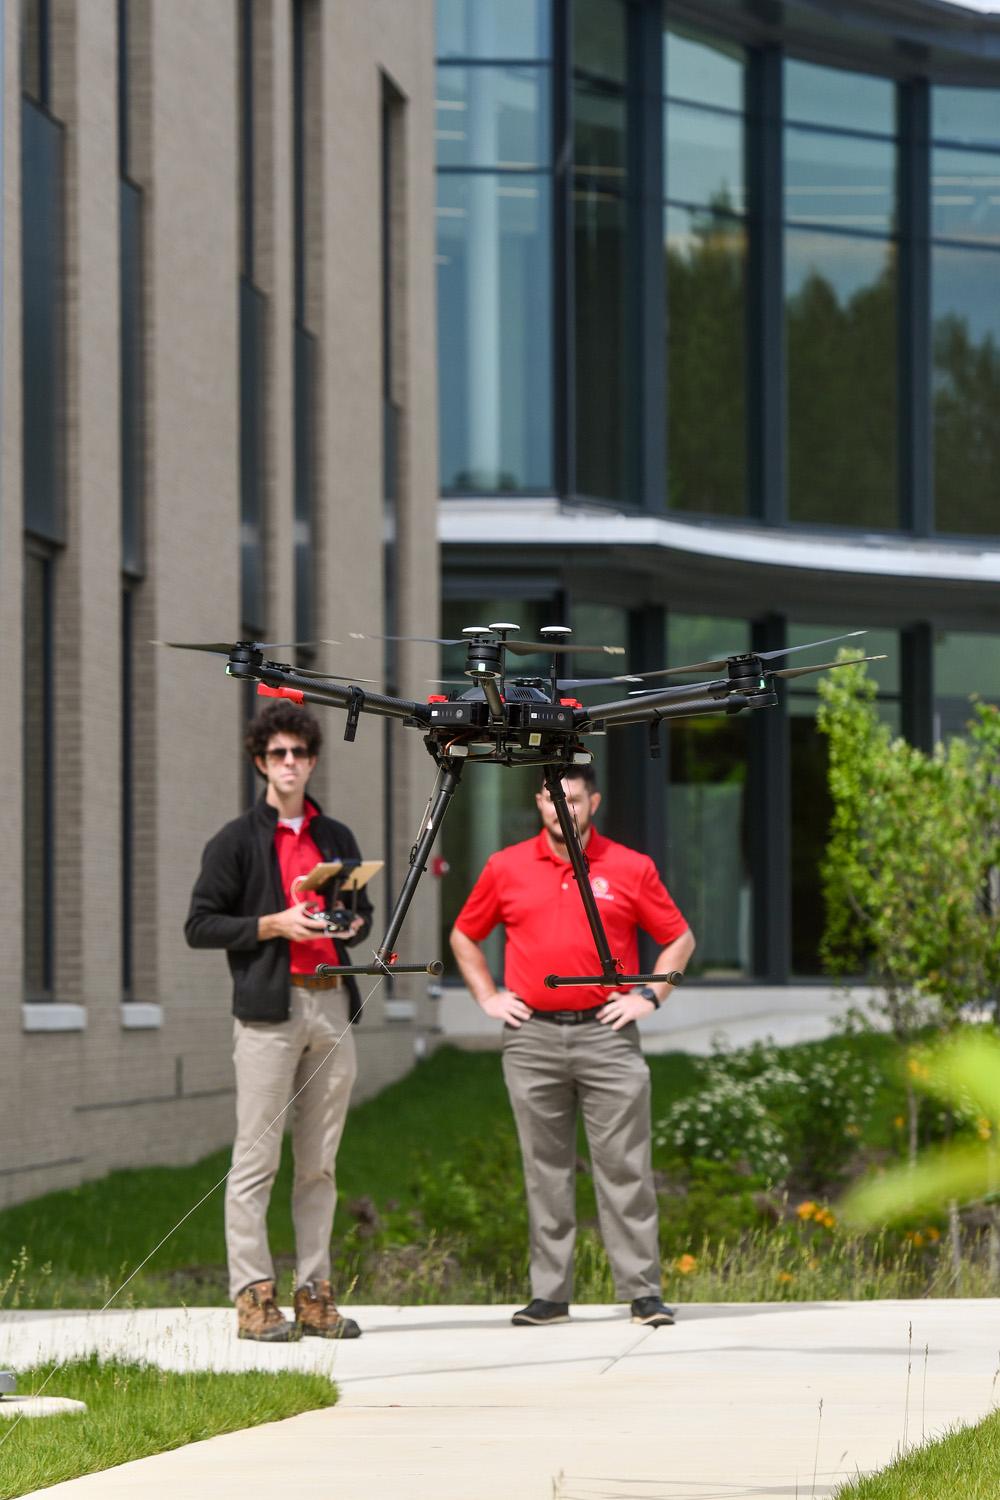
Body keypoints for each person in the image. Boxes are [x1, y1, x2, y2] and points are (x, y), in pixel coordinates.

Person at [450, 764, 695, 1329]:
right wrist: (487, 996)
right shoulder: (505, 867)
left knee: (625, 1167)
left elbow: (678, 938)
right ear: (540, 801)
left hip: (608, 1035)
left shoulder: (631, 868)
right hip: (531, 1036)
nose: (565, 808)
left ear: (594, 802)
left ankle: (643, 1293)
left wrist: (650, 998)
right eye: (555, 797)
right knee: (545, 1169)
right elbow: (465, 934)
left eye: (576, 799)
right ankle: (550, 1295)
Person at [185, 700, 372, 1342]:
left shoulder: (336, 837)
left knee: (319, 1162)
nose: (289, 764)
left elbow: (360, 910)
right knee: (256, 1157)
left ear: (313, 760)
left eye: (299, 753)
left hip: (330, 1001)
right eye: (277, 755)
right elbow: (200, 925)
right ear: (260, 762)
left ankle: (315, 1293)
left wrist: (350, 923)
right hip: (270, 1010)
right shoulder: (236, 841)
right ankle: (253, 1297)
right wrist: (274, 924)